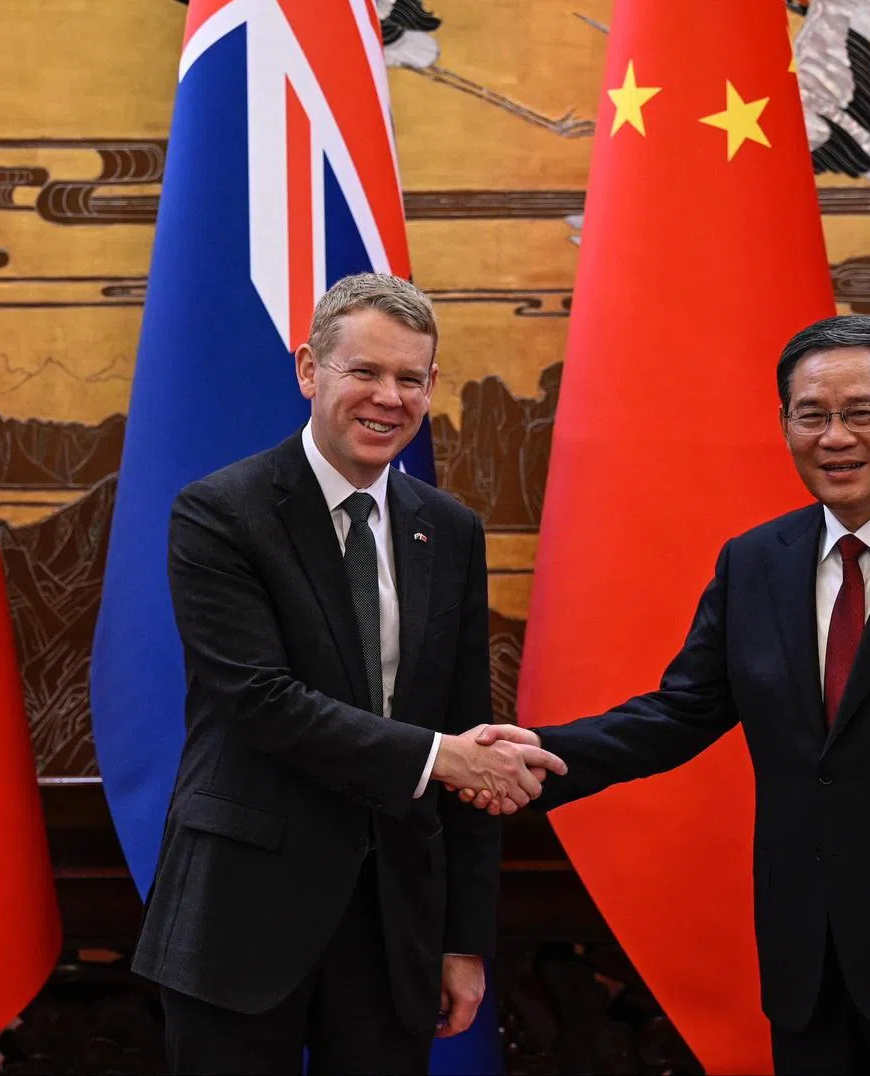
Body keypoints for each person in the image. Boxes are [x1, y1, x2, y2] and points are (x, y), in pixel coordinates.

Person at [463, 315, 870, 1075]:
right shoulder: (756, 562)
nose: (835, 437)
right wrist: (540, 753)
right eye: (811, 415)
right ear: (785, 424)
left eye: (861, 413)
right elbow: (680, 711)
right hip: (806, 962)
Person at [132, 273, 566, 1075]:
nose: (388, 398)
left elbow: (471, 731)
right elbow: (261, 702)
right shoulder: (221, 513)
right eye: (364, 371)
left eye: (410, 378)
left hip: (392, 930)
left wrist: (463, 939)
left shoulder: (451, 531)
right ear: (309, 369)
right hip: (242, 916)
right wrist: (440, 757)